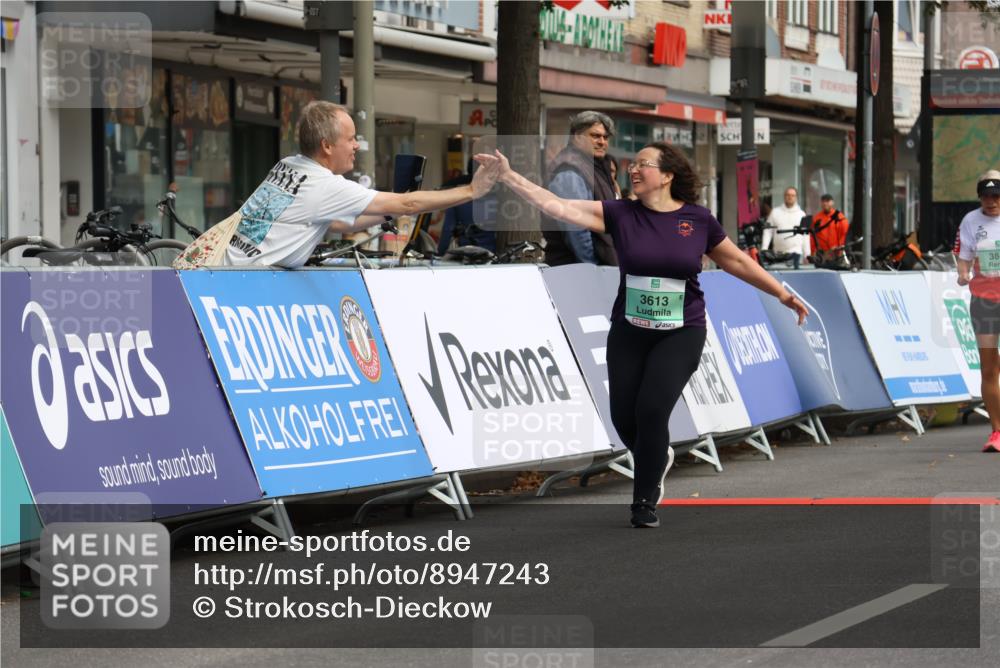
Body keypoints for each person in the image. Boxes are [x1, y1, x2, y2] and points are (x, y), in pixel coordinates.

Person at [475, 143, 808, 528]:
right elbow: (557, 206)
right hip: (630, 329)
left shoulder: (697, 220)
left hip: (681, 331)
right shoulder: (620, 214)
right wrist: (508, 175)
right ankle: (655, 454)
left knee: (652, 408)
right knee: (624, 416)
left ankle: (644, 500)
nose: (634, 170)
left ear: (667, 176)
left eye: (644, 165)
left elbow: (735, 260)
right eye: (632, 164)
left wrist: (782, 294)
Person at [225, 101, 498, 267]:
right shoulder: (325, 185)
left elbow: (336, 224)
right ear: (327, 145)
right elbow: (409, 202)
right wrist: (471, 190)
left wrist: (391, 212)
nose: (357, 145)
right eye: (351, 138)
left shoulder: (288, 165)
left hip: (222, 269)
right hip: (237, 282)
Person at [956, 169, 1000, 452]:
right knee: (989, 368)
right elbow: (963, 258)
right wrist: (962, 274)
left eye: (996, 195)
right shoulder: (971, 221)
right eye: (986, 195)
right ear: (979, 197)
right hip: (985, 300)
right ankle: (997, 432)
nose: (991, 201)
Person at [542, 111, 619, 267]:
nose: (602, 142)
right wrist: (592, 266)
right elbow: (576, 229)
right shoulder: (570, 171)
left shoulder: (595, 165)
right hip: (576, 270)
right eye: (595, 136)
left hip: (599, 266)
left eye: (605, 137)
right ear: (577, 136)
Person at [762, 186, 810, 269]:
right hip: (778, 254)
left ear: (796, 198)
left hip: (796, 254)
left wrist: (807, 255)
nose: (790, 197)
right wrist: (764, 249)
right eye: (788, 195)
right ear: (784, 196)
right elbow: (768, 231)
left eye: (792, 195)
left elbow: (805, 235)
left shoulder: (801, 214)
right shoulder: (775, 212)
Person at [809, 193, 850, 261]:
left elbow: (844, 235)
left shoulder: (840, 217)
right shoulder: (816, 218)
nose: (825, 203)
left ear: (832, 202)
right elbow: (812, 237)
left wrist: (839, 249)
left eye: (827, 201)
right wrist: (813, 252)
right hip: (822, 254)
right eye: (823, 201)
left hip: (836, 253)